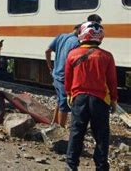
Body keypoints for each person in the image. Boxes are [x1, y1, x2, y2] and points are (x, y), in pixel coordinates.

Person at [65, 22, 118, 171]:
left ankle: (71, 166)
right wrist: (113, 100)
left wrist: (69, 94)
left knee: (76, 132)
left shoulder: (72, 54)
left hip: (79, 98)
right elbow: (112, 81)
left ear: (82, 34)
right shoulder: (106, 56)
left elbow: (67, 79)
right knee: (101, 135)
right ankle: (101, 167)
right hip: (100, 100)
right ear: (100, 36)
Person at [45, 24, 80, 127]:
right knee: (64, 105)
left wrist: (50, 67)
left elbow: (47, 51)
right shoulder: (76, 43)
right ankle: (61, 129)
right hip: (65, 78)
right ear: (79, 31)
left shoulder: (60, 36)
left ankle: (54, 123)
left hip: (56, 75)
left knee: (60, 100)